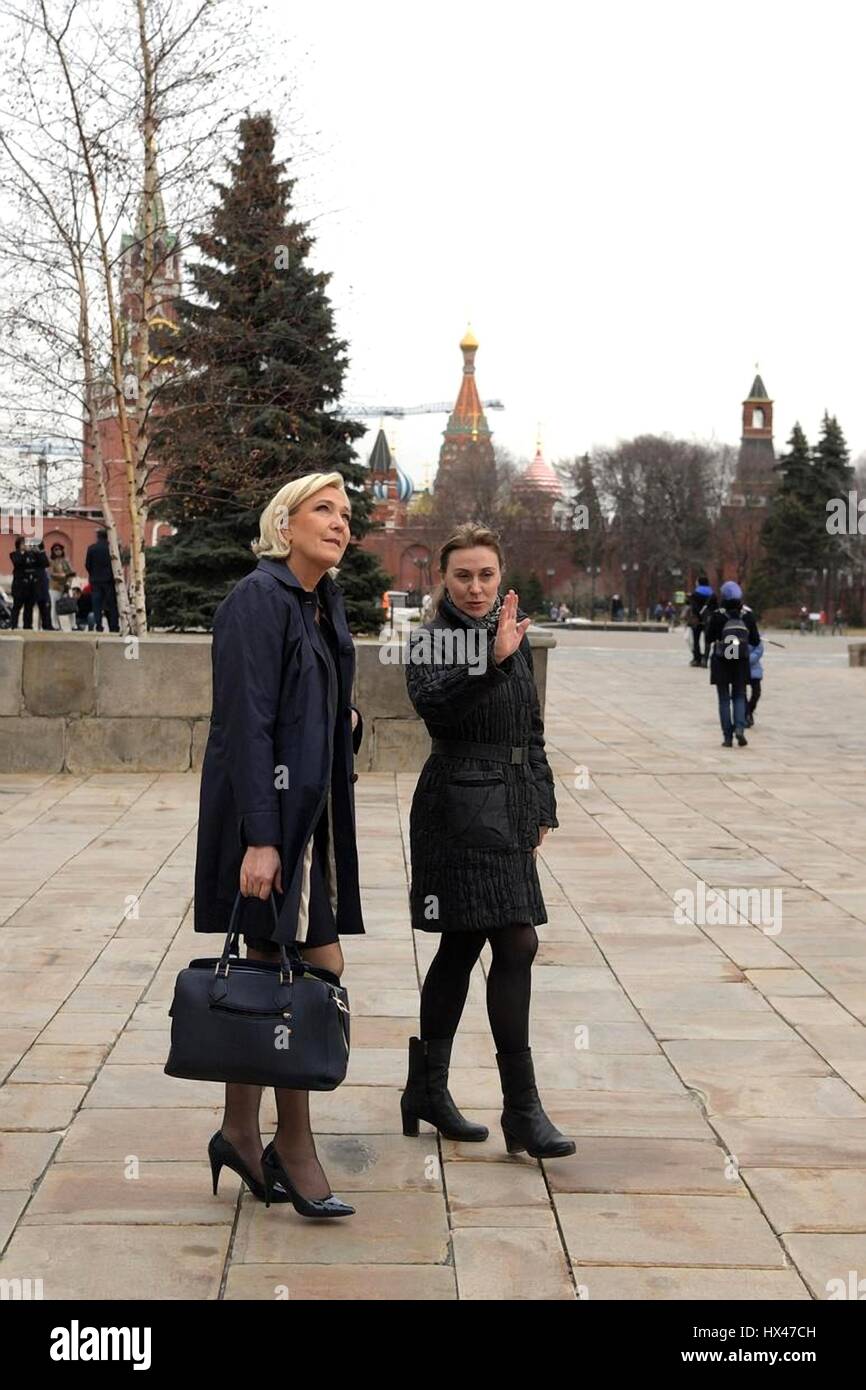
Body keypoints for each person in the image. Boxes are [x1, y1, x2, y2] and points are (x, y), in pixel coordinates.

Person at [193, 472, 365, 1218]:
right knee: (309, 973)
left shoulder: (318, 601)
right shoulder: (255, 602)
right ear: (284, 522)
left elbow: (317, 703)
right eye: (323, 510)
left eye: (347, 514)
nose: (340, 524)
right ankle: (289, 1148)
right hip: (267, 827)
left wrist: (346, 726)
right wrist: (261, 840)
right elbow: (245, 727)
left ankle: (240, 1130)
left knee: (275, 965)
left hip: (305, 824)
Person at [401, 522, 575, 1160]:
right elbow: (437, 709)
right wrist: (491, 659)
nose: (475, 587)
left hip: (508, 803)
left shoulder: (515, 635)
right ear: (442, 580)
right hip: (455, 802)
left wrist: (542, 806)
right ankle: (521, 1111)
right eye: (462, 576)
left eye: (486, 575)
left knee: (465, 944)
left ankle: (427, 1090)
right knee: (512, 938)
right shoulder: (432, 641)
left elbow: (531, 730)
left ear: (501, 578)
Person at [706, 580, 760, 747]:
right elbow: (755, 640)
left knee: (723, 699)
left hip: (721, 661)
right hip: (740, 662)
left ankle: (727, 737)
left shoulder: (718, 615)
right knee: (739, 695)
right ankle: (740, 729)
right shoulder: (747, 615)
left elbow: (708, 638)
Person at [8, 537, 53, 630]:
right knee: (17, 607)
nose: (26, 546)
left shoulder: (34, 554)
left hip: (31, 586)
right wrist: (25, 553)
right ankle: (13, 625)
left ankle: (27, 626)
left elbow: (45, 563)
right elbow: (18, 562)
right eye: (23, 544)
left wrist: (39, 552)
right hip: (19, 586)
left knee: (29, 608)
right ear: (19, 546)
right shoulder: (15, 554)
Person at [84, 528, 119, 632]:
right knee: (111, 604)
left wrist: (93, 574)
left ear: (98, 536)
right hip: (109, 580)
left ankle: (98, 625)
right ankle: (114, 626)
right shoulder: (112, 548)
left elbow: (87, 565)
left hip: (95, 581)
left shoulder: (92, 548)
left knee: (97, 605)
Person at [687, 576, 716, 666]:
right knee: (708, 640)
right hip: (708, 620)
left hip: (697, 620)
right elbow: (715, 608)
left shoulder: (695, 594)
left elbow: (693, 608)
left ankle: (697, 659)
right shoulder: (713, 595)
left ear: (699, 583)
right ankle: (705, 660)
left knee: (696, 640)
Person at [48, 543, 75, 631]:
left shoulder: (65, 561)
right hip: (55, 587)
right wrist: (61, 575)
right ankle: (55, 625)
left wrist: (69, 582)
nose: (58, 551)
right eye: (56, 549)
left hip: (65, 586)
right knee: (55, 607)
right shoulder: (51, 562)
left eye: (59, 549)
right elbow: (51, 574)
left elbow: (71, 572)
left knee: (71, 605)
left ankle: (73, 625)